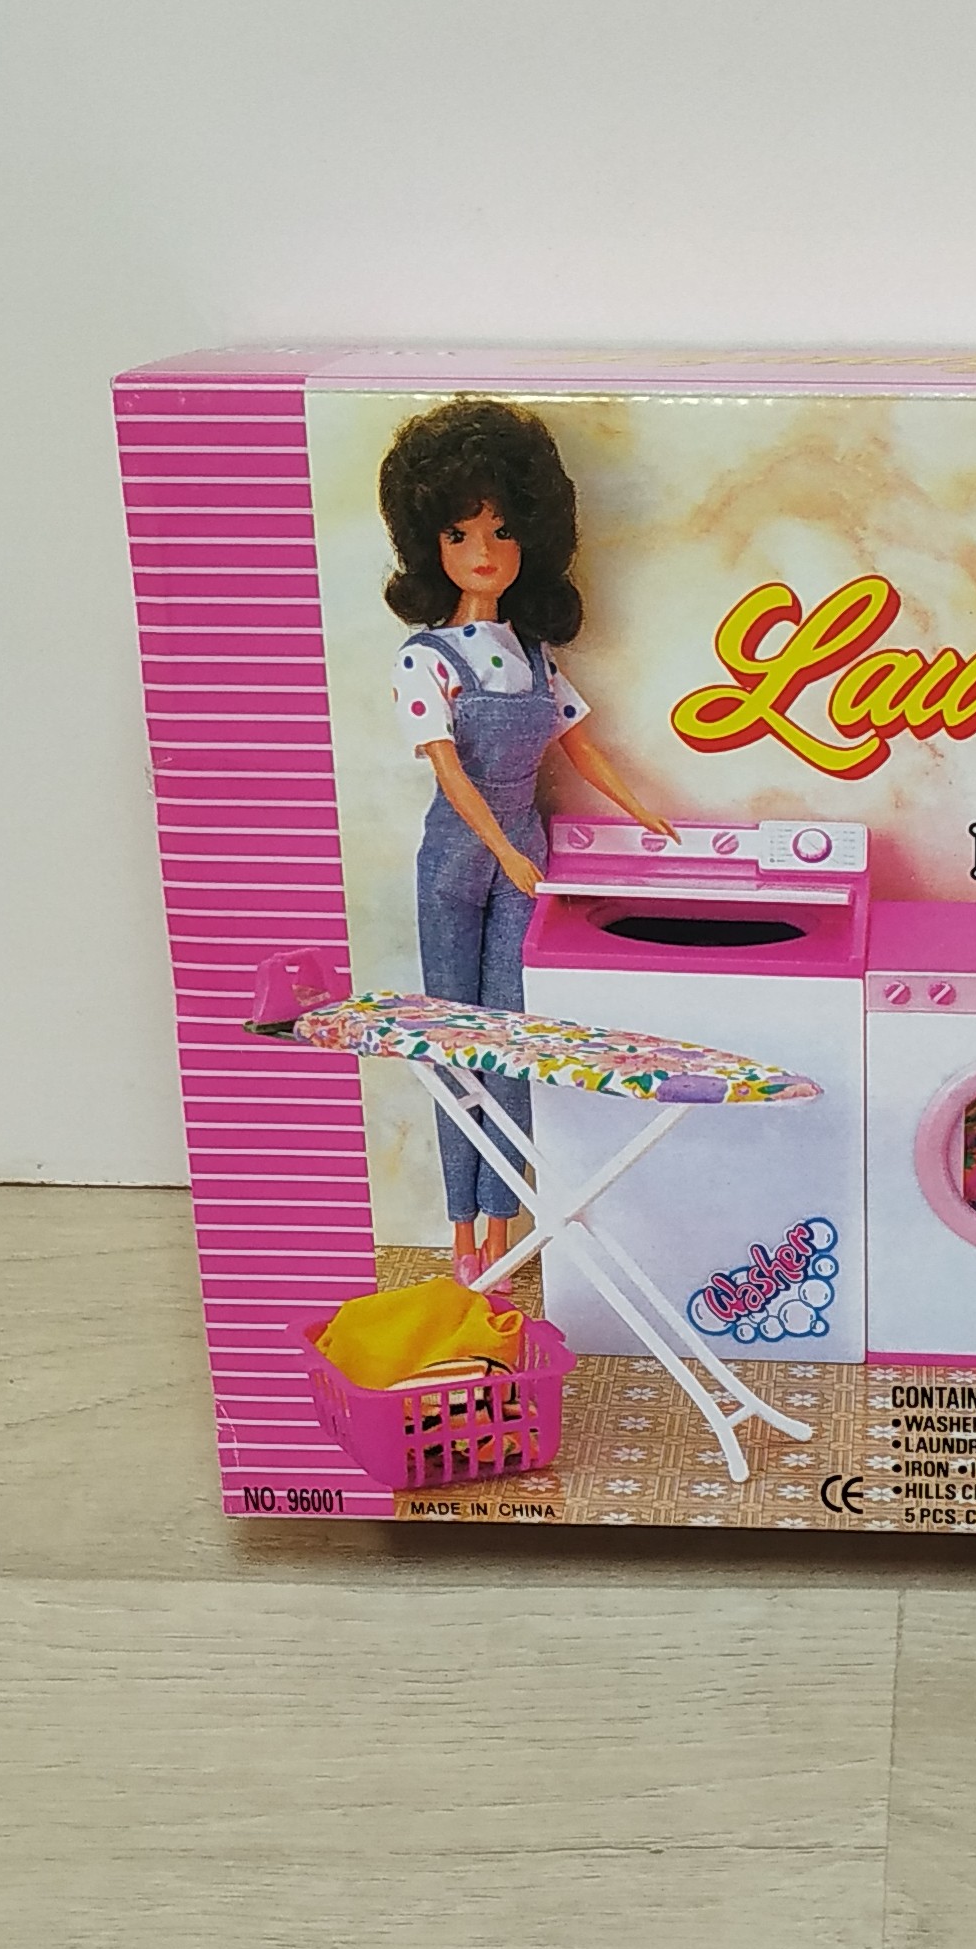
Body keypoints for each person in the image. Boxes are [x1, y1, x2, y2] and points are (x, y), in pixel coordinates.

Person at [379, 397, 674, 1291]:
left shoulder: (536, 657)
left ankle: (504, 1228)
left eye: (502, 531)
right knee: (450, 1036)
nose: (484, 551)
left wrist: (643, 813)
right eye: (460, 533)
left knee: (510, 1035)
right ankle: (460, 1230)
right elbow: (448, 773)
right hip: (459, 859)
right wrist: (503, 851)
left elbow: (582, 745)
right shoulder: (426, 658)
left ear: (530, 539)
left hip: (525, 853)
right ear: (429, 542)